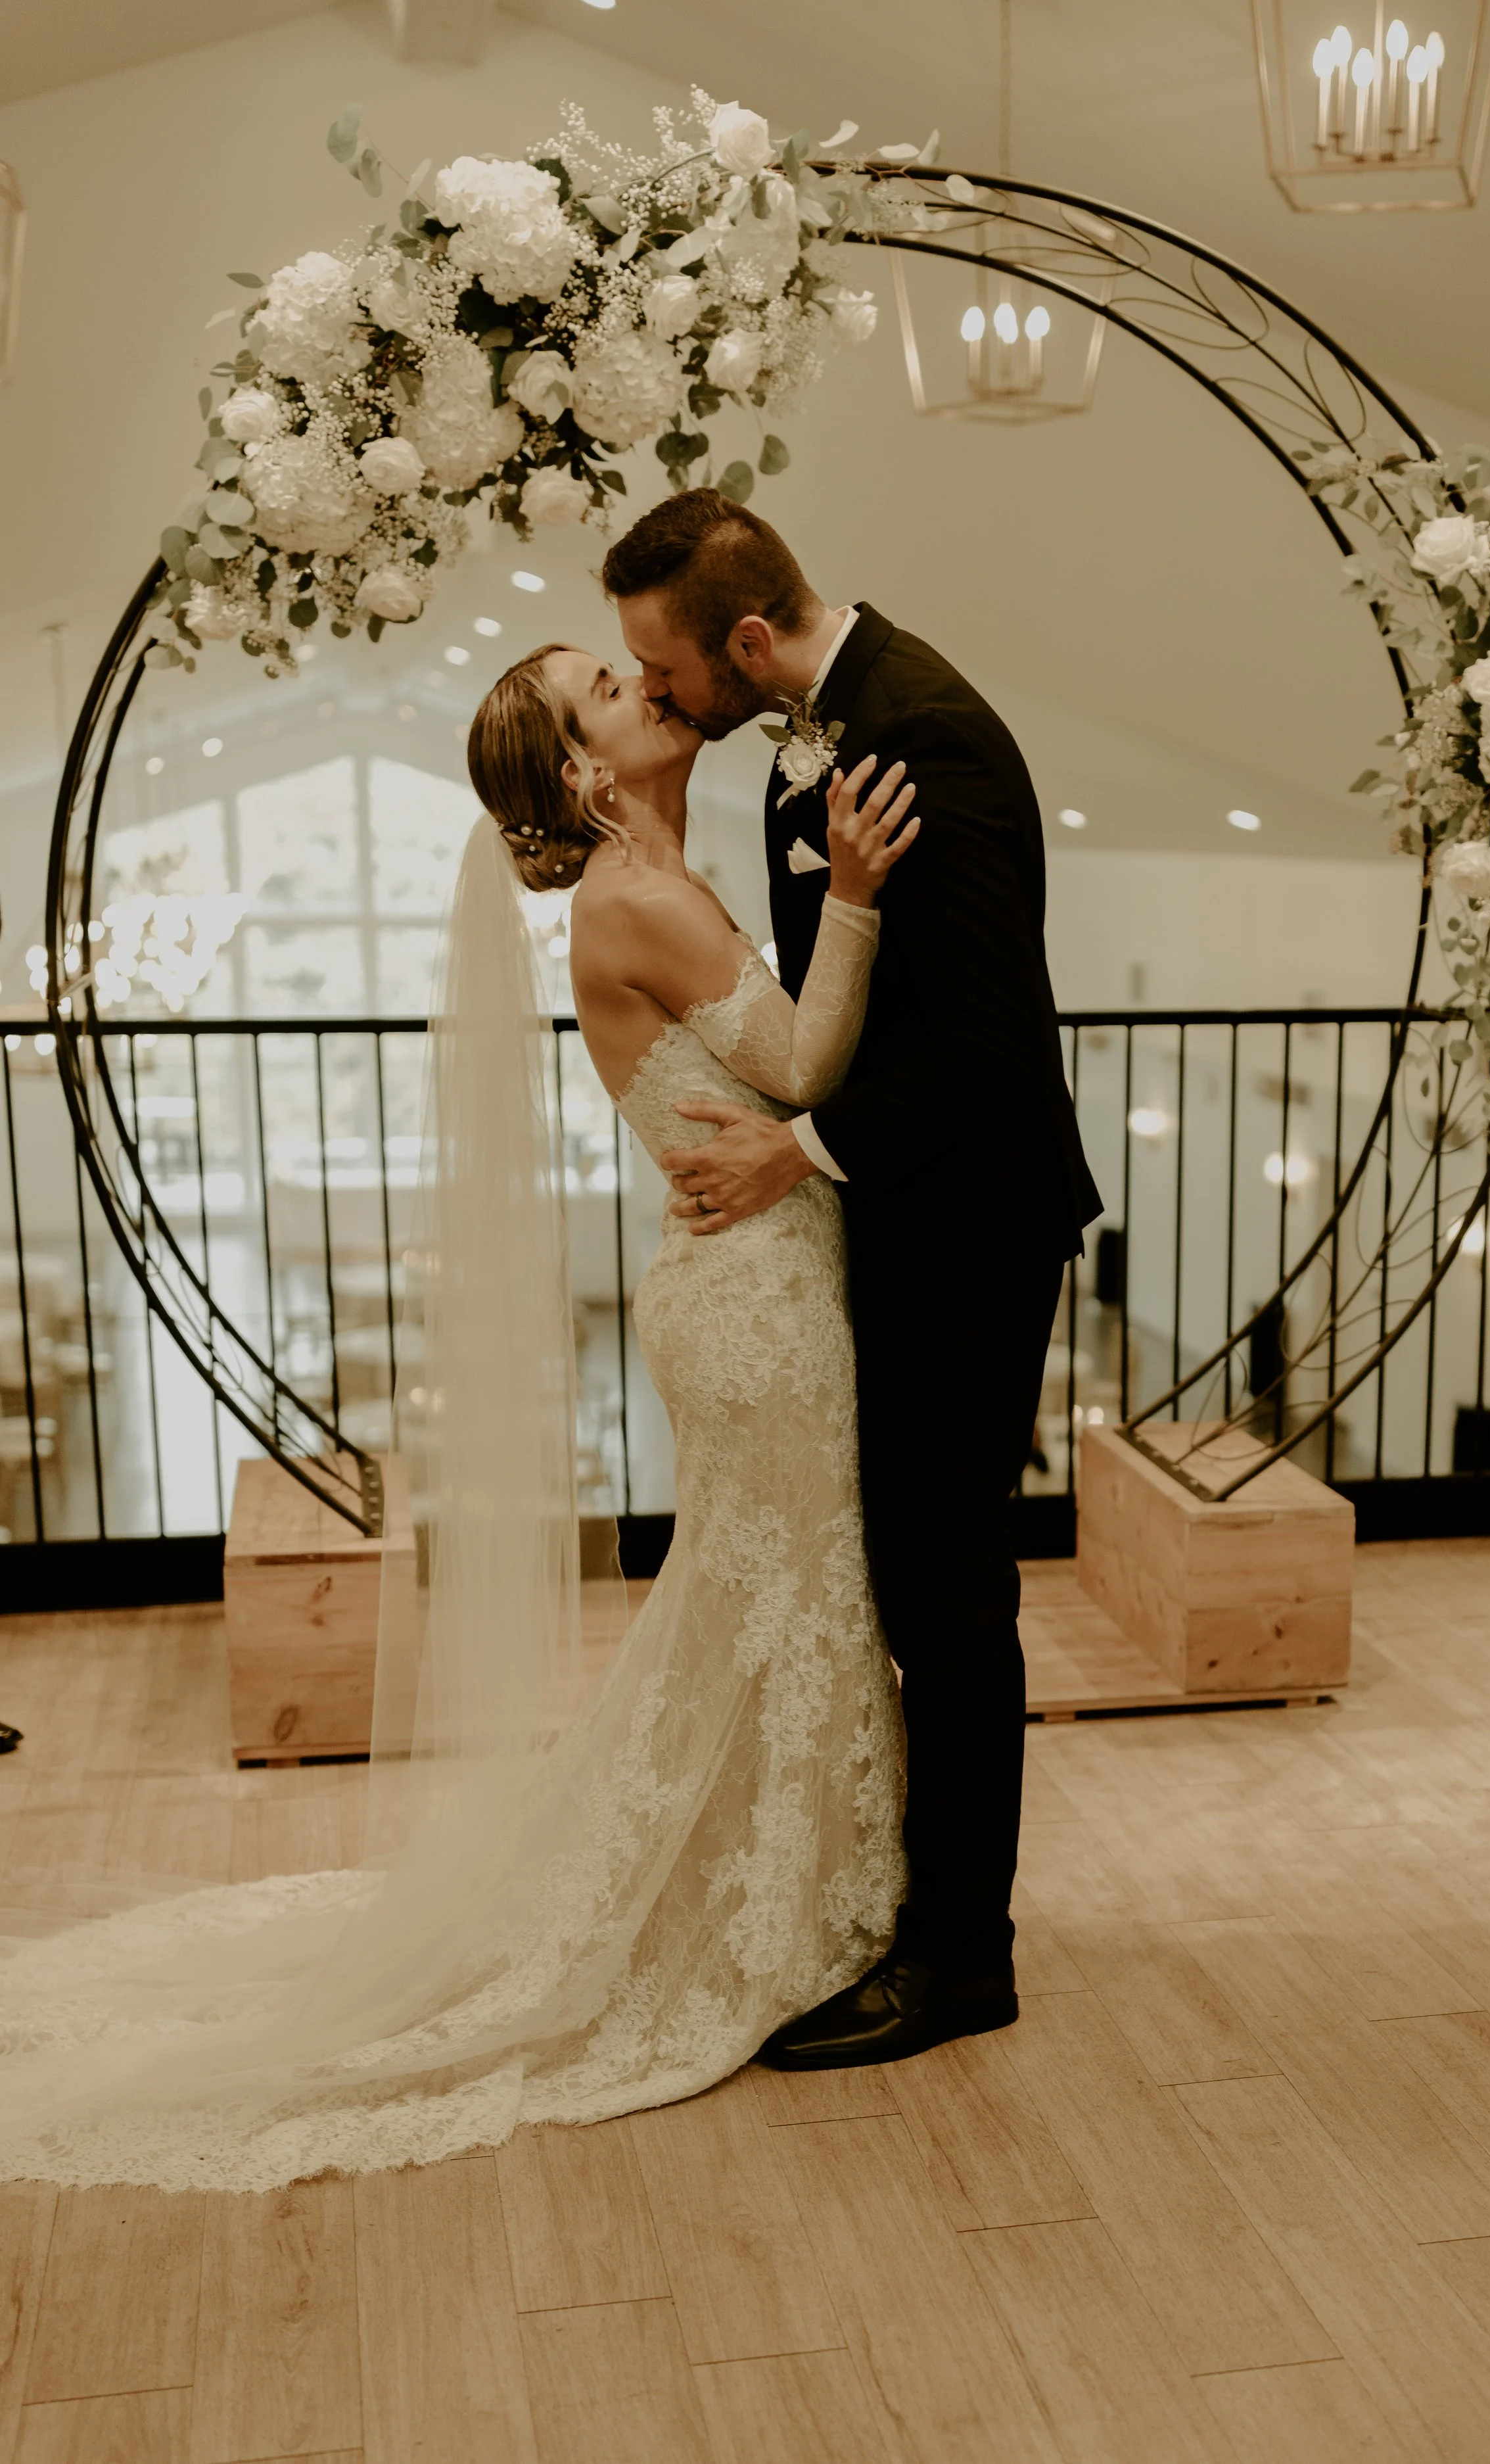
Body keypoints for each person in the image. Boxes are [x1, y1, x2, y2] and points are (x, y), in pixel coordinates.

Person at [0, 642, 915, 2192]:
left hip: (752, 1281)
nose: (644, 684)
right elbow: (809, 1058)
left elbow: (771, 1089)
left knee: (770, 1598)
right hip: (750, 1302)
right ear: (582, 771)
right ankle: (782, 1911)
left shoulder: (654, 880)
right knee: (789, 1594)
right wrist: (856, 895)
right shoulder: (637, 899)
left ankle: (780, 1890)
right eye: (607, 690)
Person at [603, 489, 1101, 2070]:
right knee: (892, 1574)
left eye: (663, 668)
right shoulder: (808, 735)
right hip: (888, 1219)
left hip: (964, 1226)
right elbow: (827, 992)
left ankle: (963, 1959)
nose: (663, 697)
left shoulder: (923, 737)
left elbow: (972, 1043)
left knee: (948, 1592)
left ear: (747, 639)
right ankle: (886, 1900)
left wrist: (794, 1158)